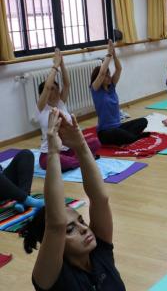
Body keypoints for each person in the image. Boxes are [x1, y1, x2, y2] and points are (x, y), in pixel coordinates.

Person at [22, 108, 126, 290]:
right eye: (70, 230)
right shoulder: (52, 278)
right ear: (55, 245)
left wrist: (80, 145)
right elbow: (56, 224)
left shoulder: (99, 252)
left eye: (81, 222)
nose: (84, 229)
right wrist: (53, 152)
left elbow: (100, 199)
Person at [38, 49, 100, 171]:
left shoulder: (60, 103)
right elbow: (47, 86)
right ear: (43, 94)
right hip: (51, 153)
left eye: (55, 89)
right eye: (50, 89)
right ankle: (83, 159)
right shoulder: (41, 108)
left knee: (95, 142)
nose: (53, 92)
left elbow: (67, 84)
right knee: (65, 162)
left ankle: (80, 159)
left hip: (70, 149)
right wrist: (55, 66)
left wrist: (62, 64)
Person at [90, 40, 149, 145]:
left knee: (143, 121)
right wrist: (108, 53)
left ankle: (130, 137)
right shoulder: (95, 89)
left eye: (109, 74)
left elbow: (119, 69)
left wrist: (114, 55)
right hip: (105, 132)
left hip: (118, 127)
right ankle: (132, 137)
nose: (108, 76)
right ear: (100, 78)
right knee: (120, 134)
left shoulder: (111, 86)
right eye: (106, 75)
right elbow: (102, 72)